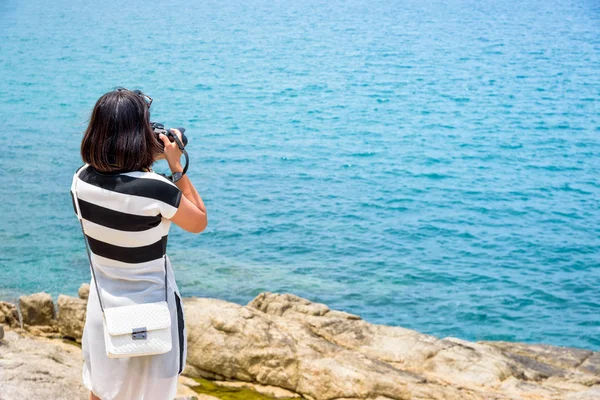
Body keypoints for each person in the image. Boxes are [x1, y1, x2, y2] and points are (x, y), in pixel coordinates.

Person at [70, 88, 208, 400]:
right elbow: (199, 220)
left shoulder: (79, 181)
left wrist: (141, 160)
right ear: (138, 134)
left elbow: (120, 185)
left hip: (103, 309)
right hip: (153, 313)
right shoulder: (158, 191)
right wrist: (175, 167)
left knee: (102, 391)